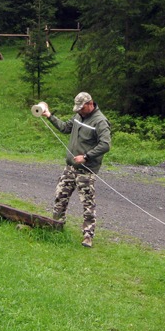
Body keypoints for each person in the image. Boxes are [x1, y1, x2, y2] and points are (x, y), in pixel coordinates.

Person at [42, 92, 111, 248]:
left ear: (90, 104)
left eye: (81, 108)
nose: (79, 111)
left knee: (87, 203)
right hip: (70, 168)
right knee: (60, 196)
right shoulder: (79, 117)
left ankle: (88, 236)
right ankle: (56, 226)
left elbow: (106, 144)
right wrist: (49, 115)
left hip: (86, 171)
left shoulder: (100, 122)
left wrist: (86, 156)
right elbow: (65, 128)